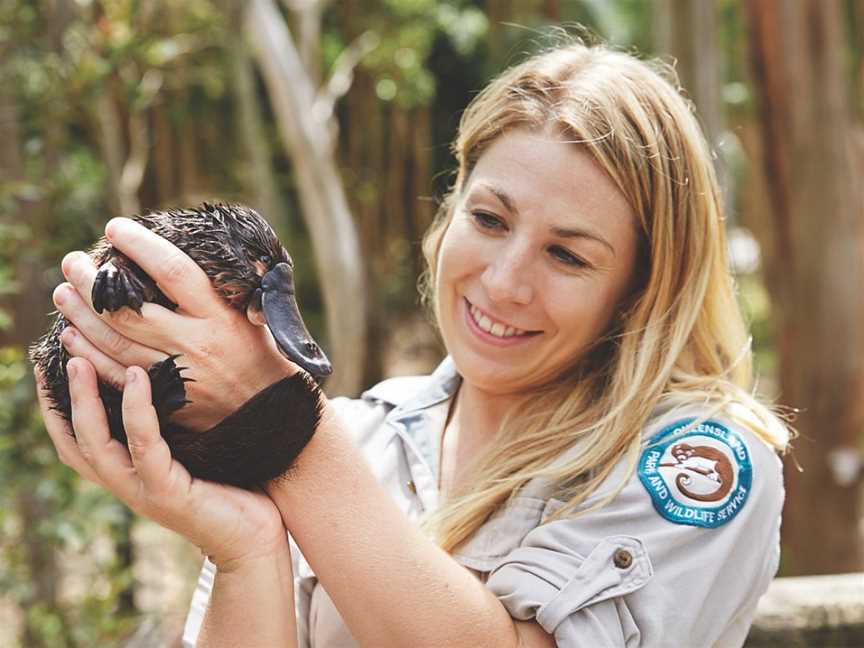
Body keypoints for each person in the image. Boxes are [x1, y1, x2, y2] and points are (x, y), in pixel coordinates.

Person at [36, 39, 790, 647]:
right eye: (489, 220)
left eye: (568, 255)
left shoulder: (699, 463)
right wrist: (246, 549)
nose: (503, 282)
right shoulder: (360, 437)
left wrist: (283, 426)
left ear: (642, 287)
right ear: (451, 207)